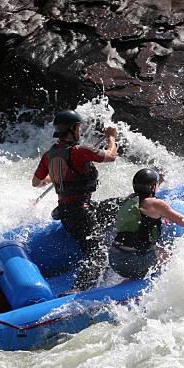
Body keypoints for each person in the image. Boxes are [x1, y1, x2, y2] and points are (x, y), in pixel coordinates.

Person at [32, 110, 118, 291]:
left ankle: (119, 249)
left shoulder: (49, 155)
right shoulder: (80, 151)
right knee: (98, 254)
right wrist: (111, 137)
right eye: (78, 128)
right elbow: (111, 155)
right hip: (81, 213)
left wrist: (54, 178)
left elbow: (36, 182)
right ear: (71, 129)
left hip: (69, 213)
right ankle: (78, 290)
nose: (80, 132)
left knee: (116, 206)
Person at [109, 168, 184, 279]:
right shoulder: (155, 204)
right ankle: (152, 284)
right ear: (153, 187)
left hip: (114, 259)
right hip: (131, 263)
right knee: (169, 253)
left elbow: (148, 190)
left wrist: (158, 180)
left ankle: (131, 282)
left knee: (147, 250)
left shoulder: (130, 199)